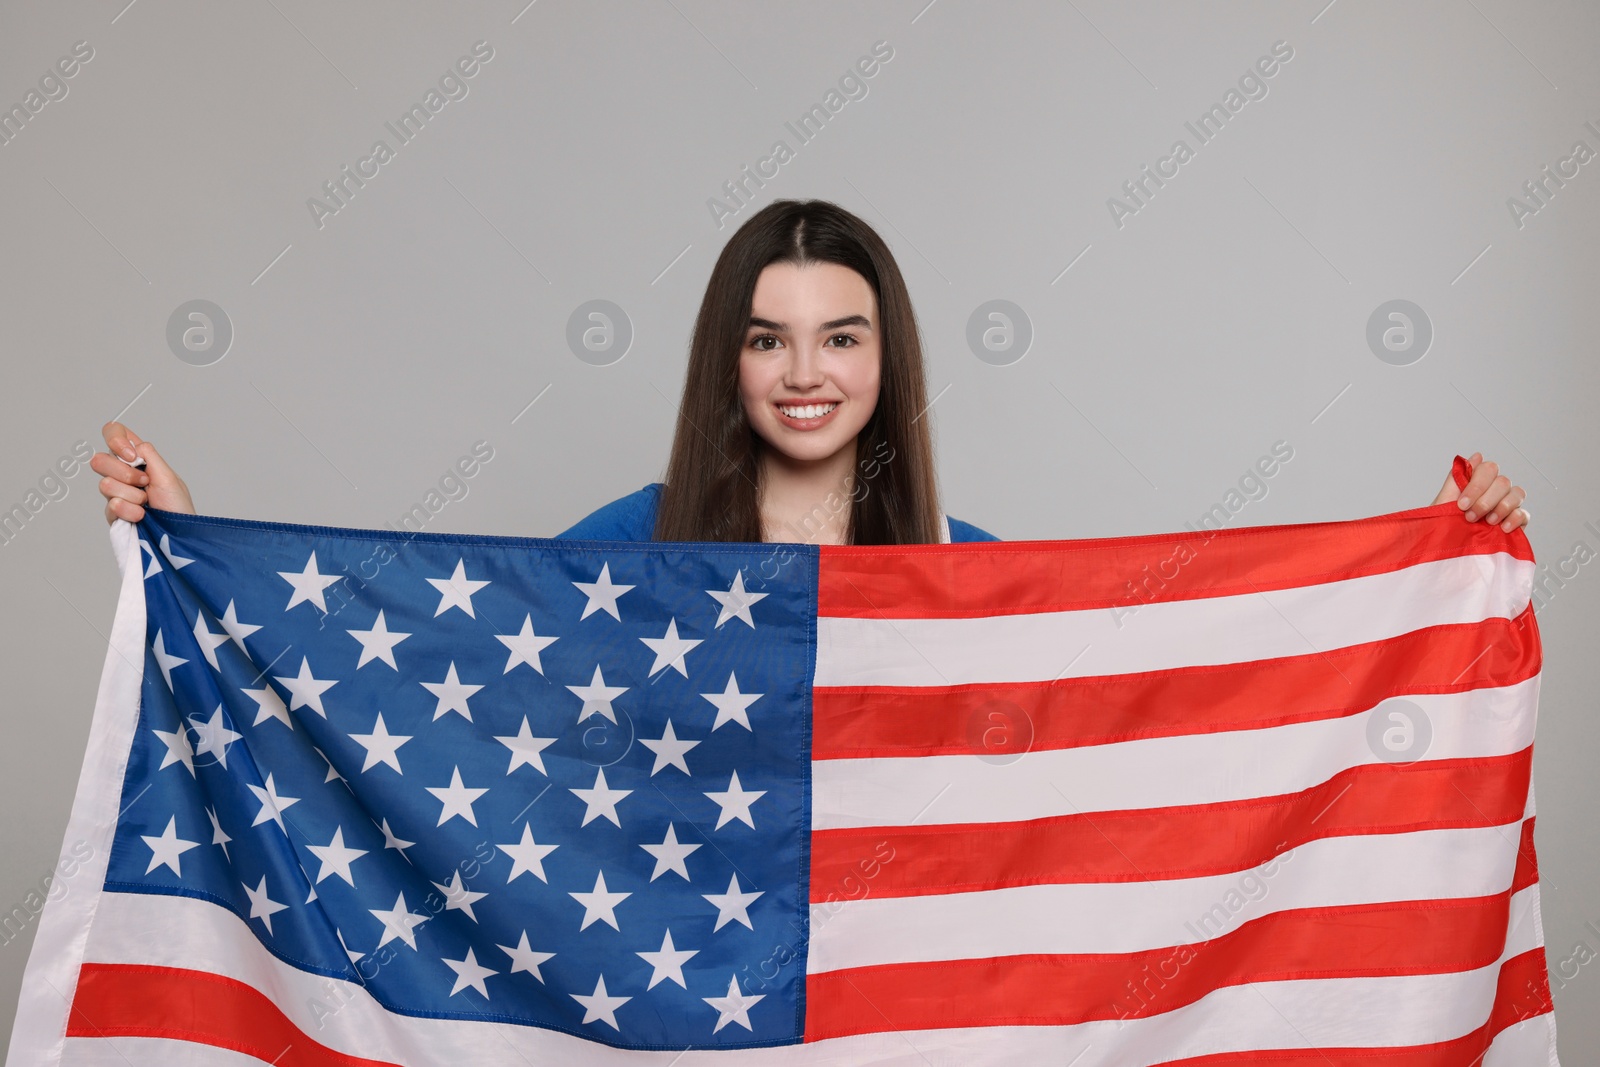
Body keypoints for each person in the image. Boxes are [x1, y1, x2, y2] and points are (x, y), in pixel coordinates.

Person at [90, 199, 1531, 543]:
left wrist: (1435, 566)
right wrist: (199, 543)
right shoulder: (631, 546)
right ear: (729, 361)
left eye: (840, 336)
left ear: (885, 359)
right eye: (768, 336)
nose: (803, 372)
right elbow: (429, 698)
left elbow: (1145, 742)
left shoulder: (965, 572)